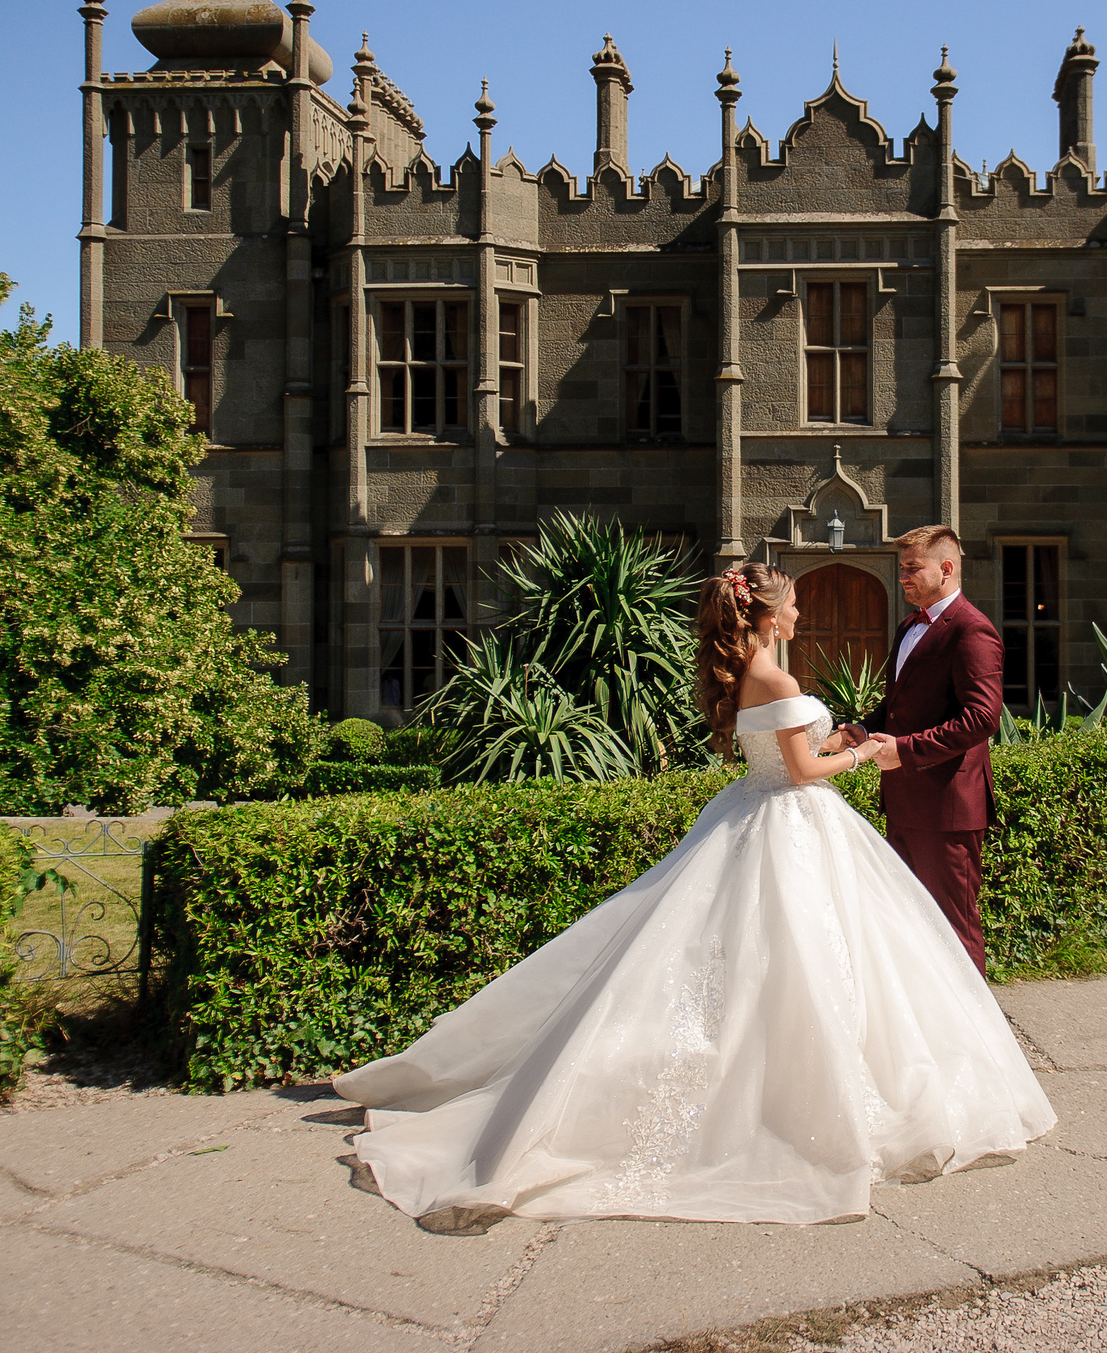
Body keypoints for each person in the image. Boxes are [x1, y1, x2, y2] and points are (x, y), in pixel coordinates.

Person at [332, 561, 1054, 1233]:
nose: (802, 610)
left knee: (779, 962)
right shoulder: (771, 680)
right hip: (791, 821)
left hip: (766, 818)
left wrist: (847, 731)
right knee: (801, 962)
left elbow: (791, 750)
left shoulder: (758, 673)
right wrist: (864, 752)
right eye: (795, 603)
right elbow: (803, 771)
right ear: (769, 617)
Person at [839, 524, 1002, 972]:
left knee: (954, 925)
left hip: (947, 806)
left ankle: (977, 1035)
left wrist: (906, 751)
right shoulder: (910, 625)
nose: (903, 577)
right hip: (904, 799)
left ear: (946, 568)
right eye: (901, 567)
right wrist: (862, 728)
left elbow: (983, 718)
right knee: (911, 923)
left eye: (913, 568)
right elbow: (898, 705)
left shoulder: (972, 630)